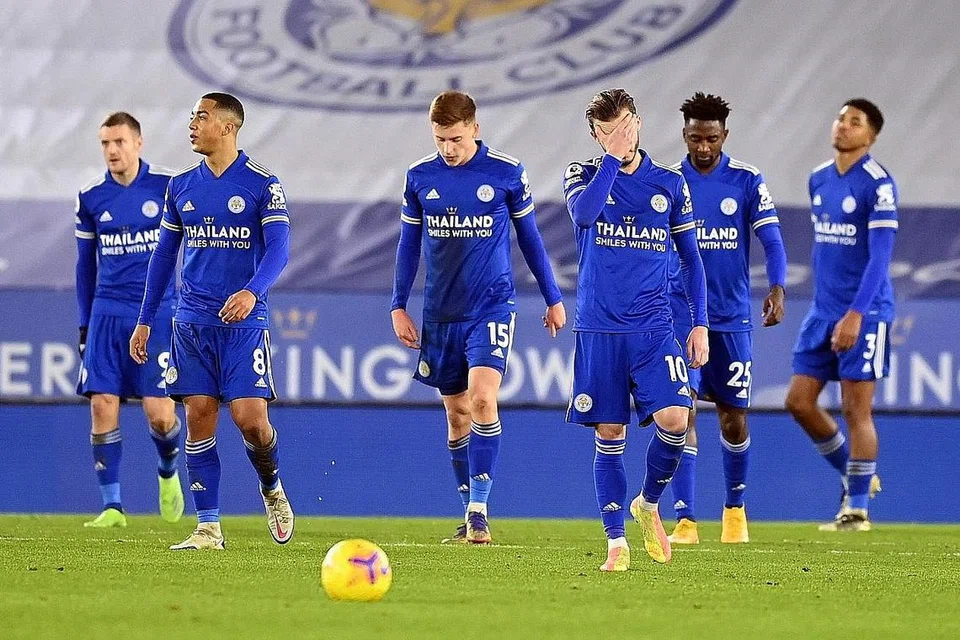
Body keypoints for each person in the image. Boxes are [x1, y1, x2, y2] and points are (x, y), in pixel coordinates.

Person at [391, 90, 566, 544]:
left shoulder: (506, 173)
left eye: (455, 138)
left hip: (491, 306)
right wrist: (397, 304)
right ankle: (468, 510)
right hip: (440, 312)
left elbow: (530, 239)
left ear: (475, 129)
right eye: (440, 139)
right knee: (455, 417)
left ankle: (479, 512)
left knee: (482, 400)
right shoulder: (419, 176)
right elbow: (409, 246)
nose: (447, 149)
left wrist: (552, 296)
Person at [130, 92, 294, 550]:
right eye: (191, 116)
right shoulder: (181, 185)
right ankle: (208, 527)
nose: (192, 124)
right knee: (198, 413)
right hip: (192, 321)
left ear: (228, 126)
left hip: (243, 322)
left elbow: (280, 249)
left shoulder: (263, 184)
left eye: (201, 117)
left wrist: (251, 291)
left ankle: (271, 483)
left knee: (250, 420)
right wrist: (145, 320)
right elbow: (164, 257)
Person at [563, 88, 708, 571]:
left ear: (639, 123)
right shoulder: (582, 175)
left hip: (653, 328)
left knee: (675, 418)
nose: (619, 136)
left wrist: (700, 323)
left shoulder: (668, 183)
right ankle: (615, 542)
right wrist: (610, 159)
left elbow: (690, 259)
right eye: (607, 130)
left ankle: (647, 504)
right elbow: (585, 217)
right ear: (596, 136)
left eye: (625, 125)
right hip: (599, 329)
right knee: (609, 430)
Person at [665, 93, 787, 545]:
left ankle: (735, 511)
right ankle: (686, 520)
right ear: (684, 135)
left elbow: (772, 240)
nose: (702, 147)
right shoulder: (668, 181)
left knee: (733, 415)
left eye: (711, 138)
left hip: (731, 318)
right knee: (680, 412)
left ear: (724, 136)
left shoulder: (747, 180)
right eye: (695, 137)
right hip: (679, 316)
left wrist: (776, 287)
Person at [785, 98, 895, 532]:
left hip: (862, 314)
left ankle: (857, 509)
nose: (843, 127)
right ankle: (858, 477)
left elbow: (880, 257)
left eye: (855, 123)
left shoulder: (878, 184)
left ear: (871, 136)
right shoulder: (818, 179)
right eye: (840, 119)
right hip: (821, 311)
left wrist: (855, 315)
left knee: (855, 411)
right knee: (797, 401)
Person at [75, 111, 184, 528]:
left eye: (119, 142)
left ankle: (168, 470)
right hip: (107, 313)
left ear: (138, 143)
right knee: (103, 404)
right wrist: (85, 327)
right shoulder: (91, 197)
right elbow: (85, 269)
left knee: (159, 413)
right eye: (105, 143)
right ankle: (112, 506)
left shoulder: (168, 186)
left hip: (156, 314)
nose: (112, 150)